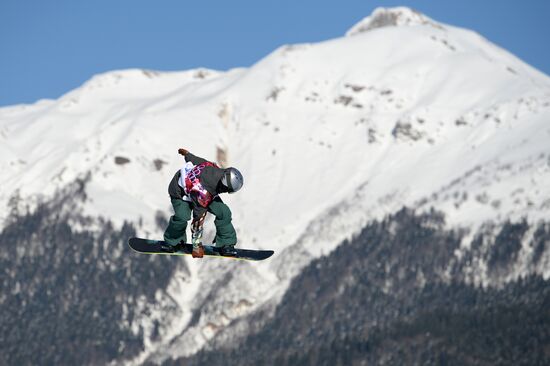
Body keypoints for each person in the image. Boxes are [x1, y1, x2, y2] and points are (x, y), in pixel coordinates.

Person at [163, 148, 243, 258]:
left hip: (203, 190)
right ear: (224, 185)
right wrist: (196, 246)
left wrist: (187, 155)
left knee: (224, 212)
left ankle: (226, 243)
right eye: (229, 190)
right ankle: (173, 241)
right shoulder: (203, 194)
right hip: (180, 192)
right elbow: (197, 220)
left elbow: (199, 161)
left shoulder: (214, 168)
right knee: (182, 215)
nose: (228, 192)